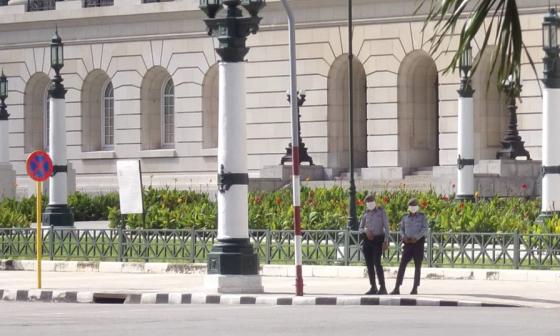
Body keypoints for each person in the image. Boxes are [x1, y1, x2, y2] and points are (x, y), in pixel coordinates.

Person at [390, 198, 428, 295]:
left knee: (417, 266)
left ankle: (415, 287)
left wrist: (417, 237)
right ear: (409, 207)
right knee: (402, 265)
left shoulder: (422, 217)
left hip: (418, 244)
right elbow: (401, 229)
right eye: (411, 206)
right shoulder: (405, 218)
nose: (413, 207)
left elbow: (424, 228)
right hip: (407, 244)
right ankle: (397, 287)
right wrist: (404, 237)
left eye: (415, 205)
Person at [359, 194, 389, 295]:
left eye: (371, 201)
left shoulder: (381, 212)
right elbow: (360, 228)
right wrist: (366, 231)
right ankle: (373, 287)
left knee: (377, 262)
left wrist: (386, 240)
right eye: (368, 202)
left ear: (374, 201)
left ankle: (383, 287)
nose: (370, 203)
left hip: (378, 240)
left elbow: (386, 227)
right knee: (369, 265)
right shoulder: (365, 214)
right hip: (367, 241)